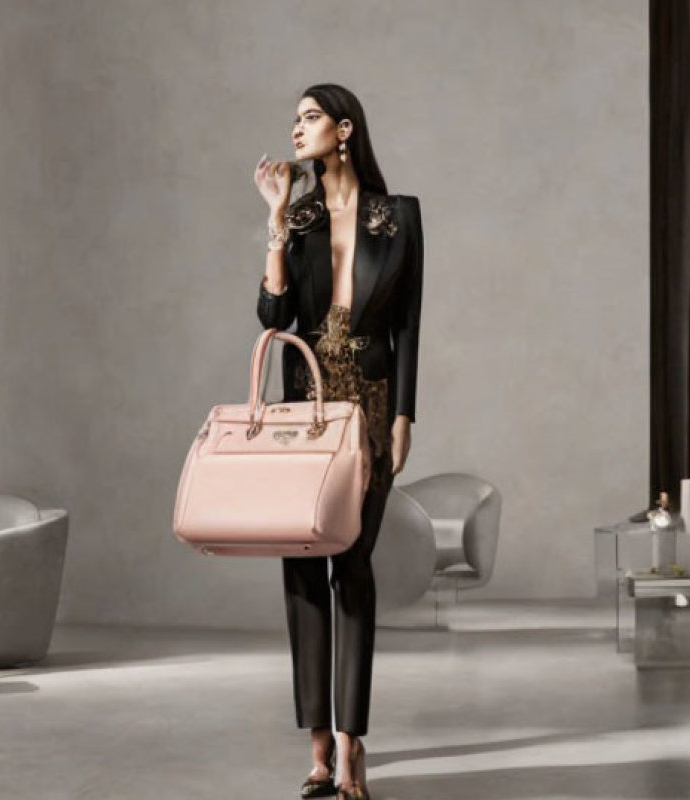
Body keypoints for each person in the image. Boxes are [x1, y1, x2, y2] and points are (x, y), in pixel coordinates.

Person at [253, 83, 423, 800]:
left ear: (344, 129)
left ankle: (353, 746)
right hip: (308, 409)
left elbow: (408, 323)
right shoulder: (300, 215)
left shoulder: (400, 218)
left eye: (310, 117)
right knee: (302, 567)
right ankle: (318, 746)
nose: (297, 129)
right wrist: (273, 228)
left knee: (353, 569)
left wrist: (405, 415)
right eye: (294, 119)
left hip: (373, 405)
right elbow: (272, 312)